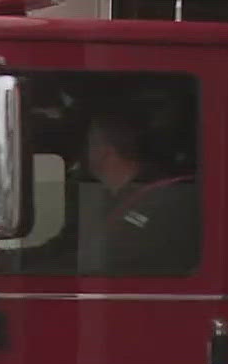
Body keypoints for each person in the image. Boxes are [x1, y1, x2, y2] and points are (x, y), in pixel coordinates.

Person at [83, 107, 200, 275]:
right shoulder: (109, 198)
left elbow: (120, 260)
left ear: (103, 150)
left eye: (89, 144)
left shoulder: (163, 201)